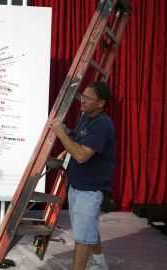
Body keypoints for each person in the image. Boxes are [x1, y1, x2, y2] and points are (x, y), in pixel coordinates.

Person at [50, 81, 116, 270]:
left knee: (82, 238)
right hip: (78, 186)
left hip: (89, 190)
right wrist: (67, 150)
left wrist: (62, 135)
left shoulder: (102, 124)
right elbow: (78, 142)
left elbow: (81, 155)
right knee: (88, 228)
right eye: (82, 95)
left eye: (88, 98)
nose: (82, 100)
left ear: (101, 103)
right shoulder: (85, 115)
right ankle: (101, 264)